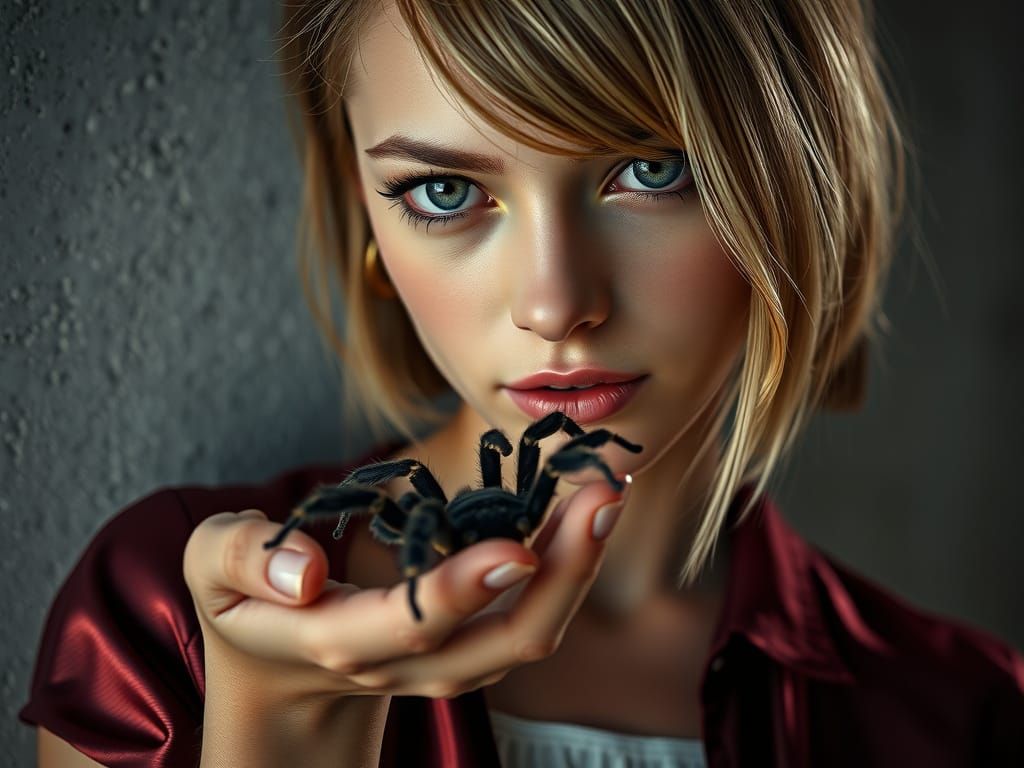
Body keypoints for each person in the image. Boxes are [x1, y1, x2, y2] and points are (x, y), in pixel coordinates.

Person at [21, 1, 1024, 766]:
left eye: (653, 169)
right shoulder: (166, 629)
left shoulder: (967, 716)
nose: (553, 304)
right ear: (369, 225)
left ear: (802, 193)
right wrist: (274, 731)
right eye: (444, 192)